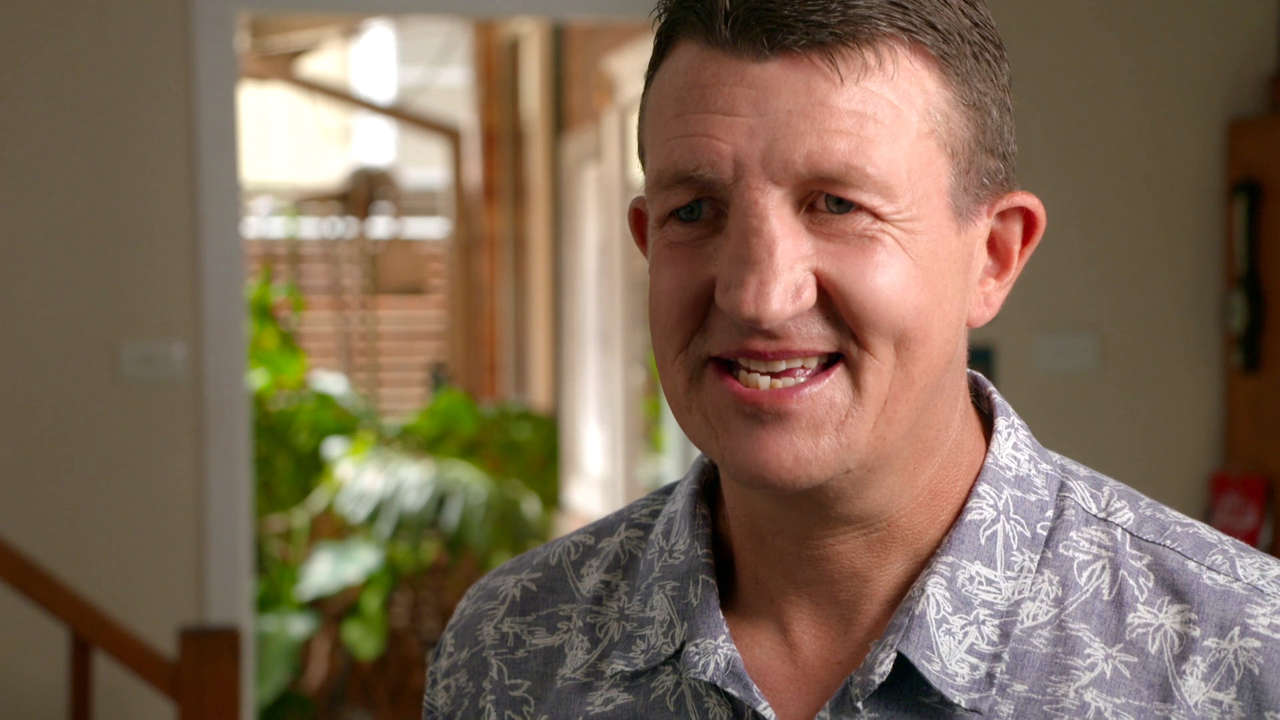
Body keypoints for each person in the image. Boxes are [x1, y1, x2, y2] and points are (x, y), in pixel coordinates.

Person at [424, 1, 1280, 717]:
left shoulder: (1243, 658)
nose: (759, 296)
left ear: (993, 258)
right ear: (649, 243)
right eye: (696, 211)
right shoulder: (510, 648)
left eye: (836, 204)